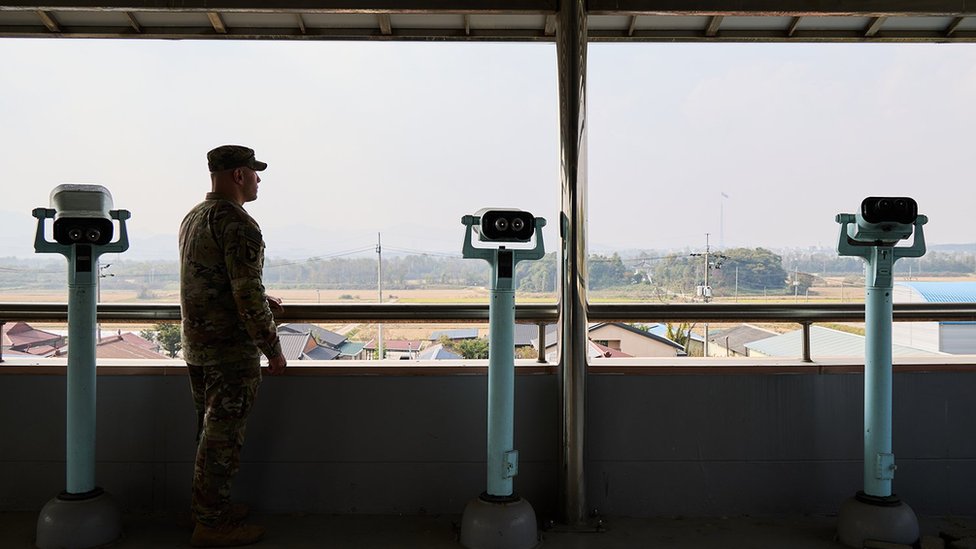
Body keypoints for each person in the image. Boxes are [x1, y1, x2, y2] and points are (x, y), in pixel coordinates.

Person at [179, 144, 287, 547]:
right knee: (223, 439)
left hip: (198, 344)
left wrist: (261, 297)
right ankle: (212, 525)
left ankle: (207, 509)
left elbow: (212, 278)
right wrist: (272, 348)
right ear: (238, 175)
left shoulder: (195, 216)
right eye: (254, 172)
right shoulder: (238, 223)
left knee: (209, 435)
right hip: (228, 351)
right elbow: (246, 293)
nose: (258, 180)